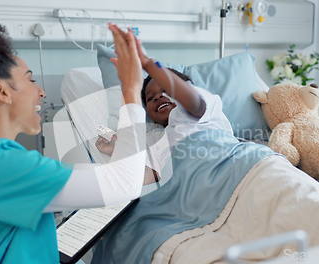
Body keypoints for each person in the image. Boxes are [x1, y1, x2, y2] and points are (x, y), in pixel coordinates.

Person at [0, 1, 146, 263]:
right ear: (1, 91)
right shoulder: (0, 166)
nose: (41, 92)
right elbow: (124, 184)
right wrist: (130, 91)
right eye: (30, 79)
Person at [96, 36, 233, 184]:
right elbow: (147, 175)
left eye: (165, 90)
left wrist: (149, 65)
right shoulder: (159, 140)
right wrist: (117, 150)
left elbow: (195, 103)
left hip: (240, 168)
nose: (158, 97)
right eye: (150, 98)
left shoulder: (198, 112)